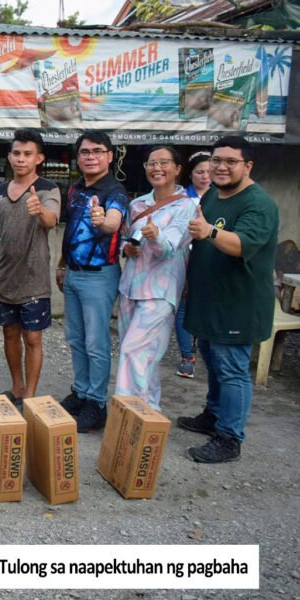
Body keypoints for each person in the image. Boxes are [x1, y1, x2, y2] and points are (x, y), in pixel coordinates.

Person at [178, 136, 279, 463]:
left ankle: (229, 438)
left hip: (238, 304)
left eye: (230, 161)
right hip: (210, 302)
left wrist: (210, 232)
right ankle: (214, 414)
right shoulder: (214, 198)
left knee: (233, 369)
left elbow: (242, 245)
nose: (221, 167)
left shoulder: (258, 203)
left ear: (247, 166)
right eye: (217, 160)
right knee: (212, 358)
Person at [55, 130, 128, 433]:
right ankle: (81, 391)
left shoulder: (115, 191)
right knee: (75, 339)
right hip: (72, 273)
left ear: (110, 156)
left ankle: (96, 404)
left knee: (96, 343)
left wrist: (103, 221)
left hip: (99, 277)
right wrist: (61, 265)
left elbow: (113, 221)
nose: (91, 157)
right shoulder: (74, 190)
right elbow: (70, 230)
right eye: (85, 152)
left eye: (98, 151)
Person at [114, 146, 194, 411]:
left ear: (178, 169)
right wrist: (127, 248)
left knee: (132, 353)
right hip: (130, 288)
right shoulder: (138, 204)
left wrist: (155, 235)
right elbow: (124, 239)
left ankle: (127, 416)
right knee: (143, 357)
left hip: (159, 293)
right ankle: (149, 414)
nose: (157, 168)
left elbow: (168, 249)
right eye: (151, 163)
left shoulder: (187, 208)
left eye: (164, 163)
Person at [0, 129, 60, 408]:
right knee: (9, 333)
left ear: (39, 158)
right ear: (10, 157)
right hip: (3, 277)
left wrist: (39, 210)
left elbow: (52, 219)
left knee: (32, 337)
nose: (21, 159)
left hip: (34, 280)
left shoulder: (46, 189)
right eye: (16, 153)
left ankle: (30, 395)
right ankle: (17, 387)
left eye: (27, 154)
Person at [173, 151, 211, 379]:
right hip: (185, 260)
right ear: (191, 174)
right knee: (184, 307)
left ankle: (208, 353)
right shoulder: (182, 199)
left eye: (209, 172)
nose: (205, 176)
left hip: (212, 262)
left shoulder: (220, 198)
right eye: (200, 172)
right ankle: (188, 356)